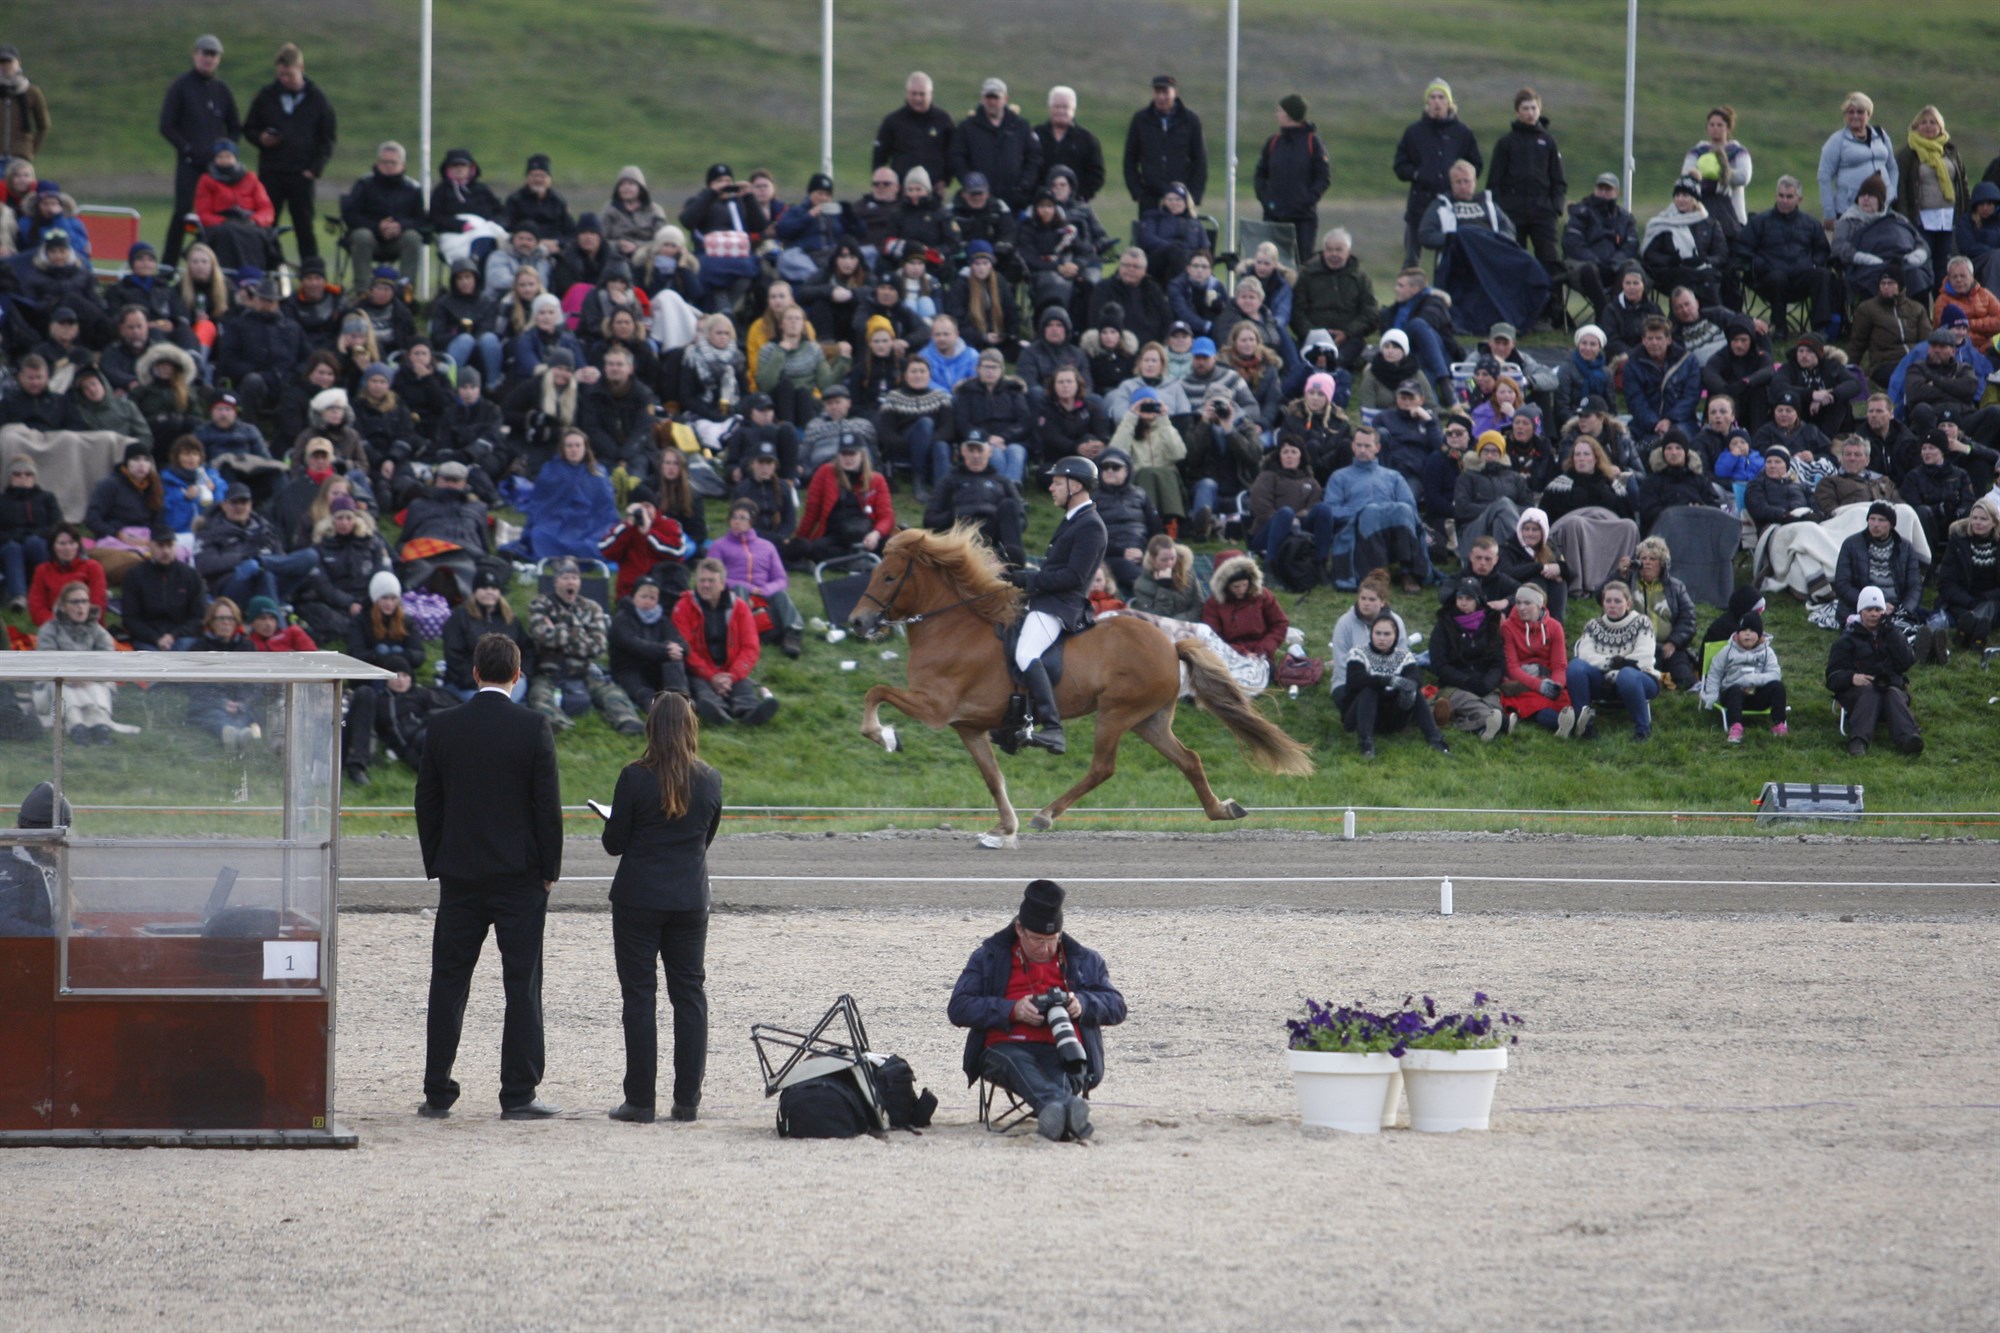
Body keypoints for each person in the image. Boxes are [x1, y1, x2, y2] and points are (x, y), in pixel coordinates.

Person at [414, 633, 566, 1120]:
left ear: (475, 672)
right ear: (517, 676)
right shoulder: (533, 726)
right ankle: (518, 1092)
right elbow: (548, 808)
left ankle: (438, 1089)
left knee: (449, 981)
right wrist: (550, 869)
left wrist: (436, 859)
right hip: (519, 874)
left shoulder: (444, 726)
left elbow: (427, 802)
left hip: (460, 874)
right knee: (521, 983)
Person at [597, 689, 722, 1126]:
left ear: (651, 728)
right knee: (689, 996)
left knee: (640, 997)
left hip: (639, 896)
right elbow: (705, 837)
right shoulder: (710, 779)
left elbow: (614, 845)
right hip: (689, 897)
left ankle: (640, 1100)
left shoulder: (634, 777)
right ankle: (687, 1100)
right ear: (691, 728)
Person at [948, 879, 1125, 1143]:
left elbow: (1117, 1006)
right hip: (1005, 1046)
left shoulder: (1083, 960)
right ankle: (1065, 1112)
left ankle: (1055, 1113)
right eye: (1037, 940)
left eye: (1052, 941)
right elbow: (958, 1007)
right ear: (1019, 928)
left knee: (1065, 1070)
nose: (1045, 949)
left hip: (1064, 1049)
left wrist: (1083, 1004)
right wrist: (1012, 1010)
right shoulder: (990, 956)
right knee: (1017, 1061)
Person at [994, 456, 1106, 754]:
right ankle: (1014, 721)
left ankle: (1054, 729)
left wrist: (1030, 579)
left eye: (1057, 482)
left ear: (1076, 485)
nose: (1051, 488)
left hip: (1060, 606)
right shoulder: (1074, 520)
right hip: (1045, 599)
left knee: (1026, 651)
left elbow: (1073, 577)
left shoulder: (1091, 526)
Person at [526, 555, 645, 735]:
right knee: (539, 694)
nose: (570, 582)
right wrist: (580, 633)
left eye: (574, 578)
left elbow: (598, 646)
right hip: (550, 668)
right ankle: (557, 723)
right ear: (556, 581)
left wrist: (560, 631)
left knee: (612, 693)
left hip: (583, 670)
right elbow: (542, 637)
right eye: (565, 578)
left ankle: (627, 721)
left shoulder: (592, 608)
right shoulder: (540, 604)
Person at [240, 44, 336, 263]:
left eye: (289, 74)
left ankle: (311, 274)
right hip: (272, 171)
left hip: (301, 175)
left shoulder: (317, 100)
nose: (284, 79)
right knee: (266, 224)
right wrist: (261, 139)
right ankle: (265, 269)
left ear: (300, 68)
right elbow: (249, 128)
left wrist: (314, 169)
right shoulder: (267, 96)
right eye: (281, 75)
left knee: (304, 227)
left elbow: (327, 139)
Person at [157, 35, 239, 269]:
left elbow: (234, 125)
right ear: (195, 55)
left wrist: (227, 151)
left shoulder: (222, 90)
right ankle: (167, 267)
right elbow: (167, 125)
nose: (208, 59)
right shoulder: (181, 86)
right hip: (190, 165)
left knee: (219, 215)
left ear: (219, 59)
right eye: (204, 53)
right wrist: (187, 149)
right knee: (183, 213)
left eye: (213, 55)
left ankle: (214, 267)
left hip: (217, 169)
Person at [671, 557, 778, 726]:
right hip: (699, 670)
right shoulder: (683, 607)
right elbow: (687, 648)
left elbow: (750, 647)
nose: (705, 585)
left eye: (711, 581)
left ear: (722, 584)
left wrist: (732, 675)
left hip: (730, 669)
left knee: (742, 687)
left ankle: (750, 712)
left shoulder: (740, 608)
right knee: (701, 688)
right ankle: (718, 711)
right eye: (702, 580)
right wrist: (711, 675)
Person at [1487, 87, 1567, 306]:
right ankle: (1517, 307)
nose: (1530, 112)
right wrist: (1502, 210)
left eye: (1533, 108)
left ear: (1539, 110)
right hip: (1513, 213)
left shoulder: (1548, 142)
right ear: (1517, 112)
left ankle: (1554, 310)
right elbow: (1494, 182)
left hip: (1543, 212)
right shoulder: (1506, 144)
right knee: (1515, 260)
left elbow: (1558, 180)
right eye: (1525, 108)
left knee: (1550, 261)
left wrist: (1555, 208)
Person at [1393, 78, 1481, 268]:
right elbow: (1400, 166)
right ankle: (1409, 294)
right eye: (1432, 97)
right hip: (1419, 204)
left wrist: (1461, 181)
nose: (1437, 101)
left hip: (1452, 206)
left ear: (1449, 102)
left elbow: (1476, 165)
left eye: (1441, 97)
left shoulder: (1462, 132)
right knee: (1411, 260)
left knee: (1449, 258)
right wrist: (1418, 174)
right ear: (1427, 102)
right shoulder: (1414, 132)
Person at [1827, 586, 1921, 757]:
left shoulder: (1892, 634)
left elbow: (1907, 662)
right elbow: (1832, 678)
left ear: (1884, 612)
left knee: (1891, 692)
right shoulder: (1845, 641)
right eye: (1869, 609)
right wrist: (1852, 677)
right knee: (1871, 692)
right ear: (1860, 612)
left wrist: (1891, 631)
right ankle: (1858, 741)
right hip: (1858, 693)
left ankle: (1909, 739)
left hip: (1892, 688)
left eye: (1878, 609)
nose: (1873, 614)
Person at [1341, 612, 1451, 759]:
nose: (1382, 638)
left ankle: (1435, 740)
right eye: (1378, 633)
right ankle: (1366, 745)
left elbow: (1416, 677)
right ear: (1371, 634)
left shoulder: (1404, 656)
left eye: (1387, 634)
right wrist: (1388, 681)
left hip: (1393, 716)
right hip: (1360, 714)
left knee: (1414, 692)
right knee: (1370, 689)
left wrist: (1409, 688)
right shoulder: (1358, 653)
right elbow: (1355, 680)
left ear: (1395, 636)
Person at [1564, 581, 1663, 742]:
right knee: (1575, 667)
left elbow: (1643, 657)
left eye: (1618, 601)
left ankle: (1642, 730)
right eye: (1608, 601)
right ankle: (1584, 727)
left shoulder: (1642, 622)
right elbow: (1585, 655)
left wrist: (1617, 672)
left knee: (1627, 675)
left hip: (1641, 680)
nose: (1612, 605)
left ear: (1628, 603)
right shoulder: (1593, 626)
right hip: (1603, 682)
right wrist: (1612, 663)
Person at [1740, 176, 1838, 337]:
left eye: (1789, 196)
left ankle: (1820, 329)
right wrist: (1761, 265)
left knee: (1822, 274)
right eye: (1781, 195)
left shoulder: (1811, 224)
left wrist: (1815, 263)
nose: (1784, 200)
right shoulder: (1759, 222)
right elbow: (1742, 248)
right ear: (1776, 195)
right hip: (1770, 280)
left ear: (1799, 199)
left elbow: (1822, 250)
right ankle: (1779, 327)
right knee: (1777, 278)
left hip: (1801, 278)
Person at [1430, 576, 1508, 741]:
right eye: (1460, 598)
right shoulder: (1444, 624)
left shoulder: (1491, 623)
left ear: (1478, 600)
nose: (1463, 602)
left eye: (1469, 598)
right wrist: (1466, 681)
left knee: (1495, 709)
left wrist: (1488, 682)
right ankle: (1493, 724)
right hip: (1455, 684)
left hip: (1484, 683)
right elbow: (1439, 664)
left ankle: (1484, 726)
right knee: (1480, 709)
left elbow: (1498, 661)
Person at [1253, 94, 1329, 260]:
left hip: (1302, 219)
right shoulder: (1273, 142)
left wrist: (1306, 201)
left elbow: (1323, 178)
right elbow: (1260, 173)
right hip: (1274, 216)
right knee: (1270, 262)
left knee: (1300, 263)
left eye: (1280, 111)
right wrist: (1266, 199)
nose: (1277, 114)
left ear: (1290, 114)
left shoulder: (1312, 142)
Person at [1289, 229, 1376, 369]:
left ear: (1348, 252)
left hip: (1348, 339)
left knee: (1336, 362)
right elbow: (1296, 310)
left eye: (1339, 250)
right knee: (1305, 363)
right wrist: (1313, 334)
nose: (1334, 254)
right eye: (1329, 250)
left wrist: (1347, 333)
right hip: (1311, 336)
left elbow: (1370, 314)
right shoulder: (1306, 274)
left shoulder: (1361, 278)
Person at [949, 78, 1040, 211]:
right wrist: (968, 182)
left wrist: (1024, 184)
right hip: (977, 201)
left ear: (1005, 99)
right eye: (988, 97)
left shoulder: (1020, 126)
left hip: (1014, 199)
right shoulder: (967, 127)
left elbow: (1034, 157)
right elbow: (956, 157)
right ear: (982, 99)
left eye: (996, 97)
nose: (992, 102)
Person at [341, 140, 426, 283]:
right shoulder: (364, 185)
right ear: (377, 163)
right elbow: (350, 215)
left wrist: (400, 226)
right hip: (370, 239)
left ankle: (405, 291)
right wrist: (378, 226)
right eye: (384, 162)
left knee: (413, 237)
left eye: (393, 162)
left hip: (399, 240)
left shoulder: (413, 188)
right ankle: (363, 291)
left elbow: (421, 219)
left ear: (402, 165)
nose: (388, 166)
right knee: (362, 236)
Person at [1500, 583, 1577, 736]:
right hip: (1523, 681)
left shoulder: (1554, 627)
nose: (1521, 608)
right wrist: (1539, 685)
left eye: (1527, 603)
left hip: (1549, 678)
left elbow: (1559, 665)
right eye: (1518, 602)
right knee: (1536, 706)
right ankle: (1571, 727)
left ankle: (1577, 726)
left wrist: (1557, 685)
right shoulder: (1508, 627)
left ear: (1539, 605)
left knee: (1562, 700)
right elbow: (1512, 667)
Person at [1894, 106, 1966, 268]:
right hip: (1921, 219)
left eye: (1933, 122)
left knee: (1944, 264)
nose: (1928, 126)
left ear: (1940, 127)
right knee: (1924, 263)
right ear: (1915, 127)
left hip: (1948, 219)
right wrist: (1905, 219)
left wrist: (1964, 212)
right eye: (1923, 122)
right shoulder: (1907, 154)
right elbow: (1901, 188)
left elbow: (1962, 182)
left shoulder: (1950, 151)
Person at [1700, 610, 1787, 743]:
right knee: (1735, 691)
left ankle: (1779, 723)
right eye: (1744, 630)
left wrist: (1751, 680)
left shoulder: (1766, 651)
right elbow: (1715, 673)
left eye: (1752, 631)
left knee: (1778, 687)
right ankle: (1735, 726)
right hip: (1733, 694)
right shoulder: (1728, 651)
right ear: (1738, 633)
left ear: (1759, 635)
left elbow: (1775, 674)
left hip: (1757, 695)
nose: (1747, 633)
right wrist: (1712, 695)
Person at [1124, 74, 1205, 212]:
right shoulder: (1141, 120)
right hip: (1150, 197)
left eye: (1165, 92)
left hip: (1180, 197)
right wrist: (1137, 192)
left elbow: (1200, 161)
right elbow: (1130, 159)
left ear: (1175, 93)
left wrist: (1194, 196)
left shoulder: (1190, 121)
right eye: (1157, 92)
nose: (1161, 97)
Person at [1562, 174, 1639, 314]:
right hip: (1586, 268)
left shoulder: (1625, 218)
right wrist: (1596, 261)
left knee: (1630, 267)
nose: (1603, 192)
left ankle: (1616, 311)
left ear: (1617, 193)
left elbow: (1631, 245)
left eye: (1608, 189)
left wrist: (1615, 262)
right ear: (1594, 189)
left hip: (1615, 268)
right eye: (1600, 188)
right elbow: (1572, 243)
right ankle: (1605, 313)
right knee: (1589, 269)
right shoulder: (1580, 212)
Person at [1819, 92, 1897, 226]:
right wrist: (1829, 213)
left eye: (1860, 112)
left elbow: (1893, 168)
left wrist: (1892, 193)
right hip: (1849, 209)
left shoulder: (1880, 135)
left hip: (1882, 208)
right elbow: (1824, 176)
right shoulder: (1837, 141)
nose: (1855, 116)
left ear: (1868, 114)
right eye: (1850, 112)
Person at [872, 72, 954, 189]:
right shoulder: (893, 121)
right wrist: (882, 183)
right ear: (907, 93)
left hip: (934, 188)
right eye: (913, 94)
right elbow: (879, 156)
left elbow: (952, 153)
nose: (917, 98)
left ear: (931, 94)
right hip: (900, 190)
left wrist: (946, 180)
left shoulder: (943, 120)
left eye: (922, 94)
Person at [0, 455, 58, 613]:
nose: (23, 478)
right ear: (10, 478)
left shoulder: (46, 498)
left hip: (39, 541)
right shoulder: (2, 500)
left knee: (35, 543)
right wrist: (15, 537)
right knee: (13, 549)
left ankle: (50, 588)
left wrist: (34, 535)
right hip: (8, 544)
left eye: (28, 474)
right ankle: (18, 596)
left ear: (35, 477)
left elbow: (57, 524)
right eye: (17, 474)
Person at [1035, 86, 1105, 202]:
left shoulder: (1087, 139)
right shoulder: (1035, 135)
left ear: (1073, 109)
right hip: (1041, 205)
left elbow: (1097, 174)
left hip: (1075, 205)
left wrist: (1081, 196)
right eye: (1057, 107)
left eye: (1065, 107)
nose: (1061, 111)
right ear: (1050, 108)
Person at [1129, 535, 1202, 621]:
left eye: (1173, 558)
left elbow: (1199, 605)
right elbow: (1155, 618)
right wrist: (1164, 589)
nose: (1169, 563)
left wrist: (1180, 620)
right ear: (1153, 559)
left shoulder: (1187, 572)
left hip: (1190, 624)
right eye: (1164, 560)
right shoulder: (1141, 586)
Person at [0, 45, 51, 166]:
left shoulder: (31, 92)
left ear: (18, 63)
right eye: (2, 63)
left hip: (20, 156)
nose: (5, 66)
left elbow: (43, 125)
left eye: (9, 62)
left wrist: (31, 150)